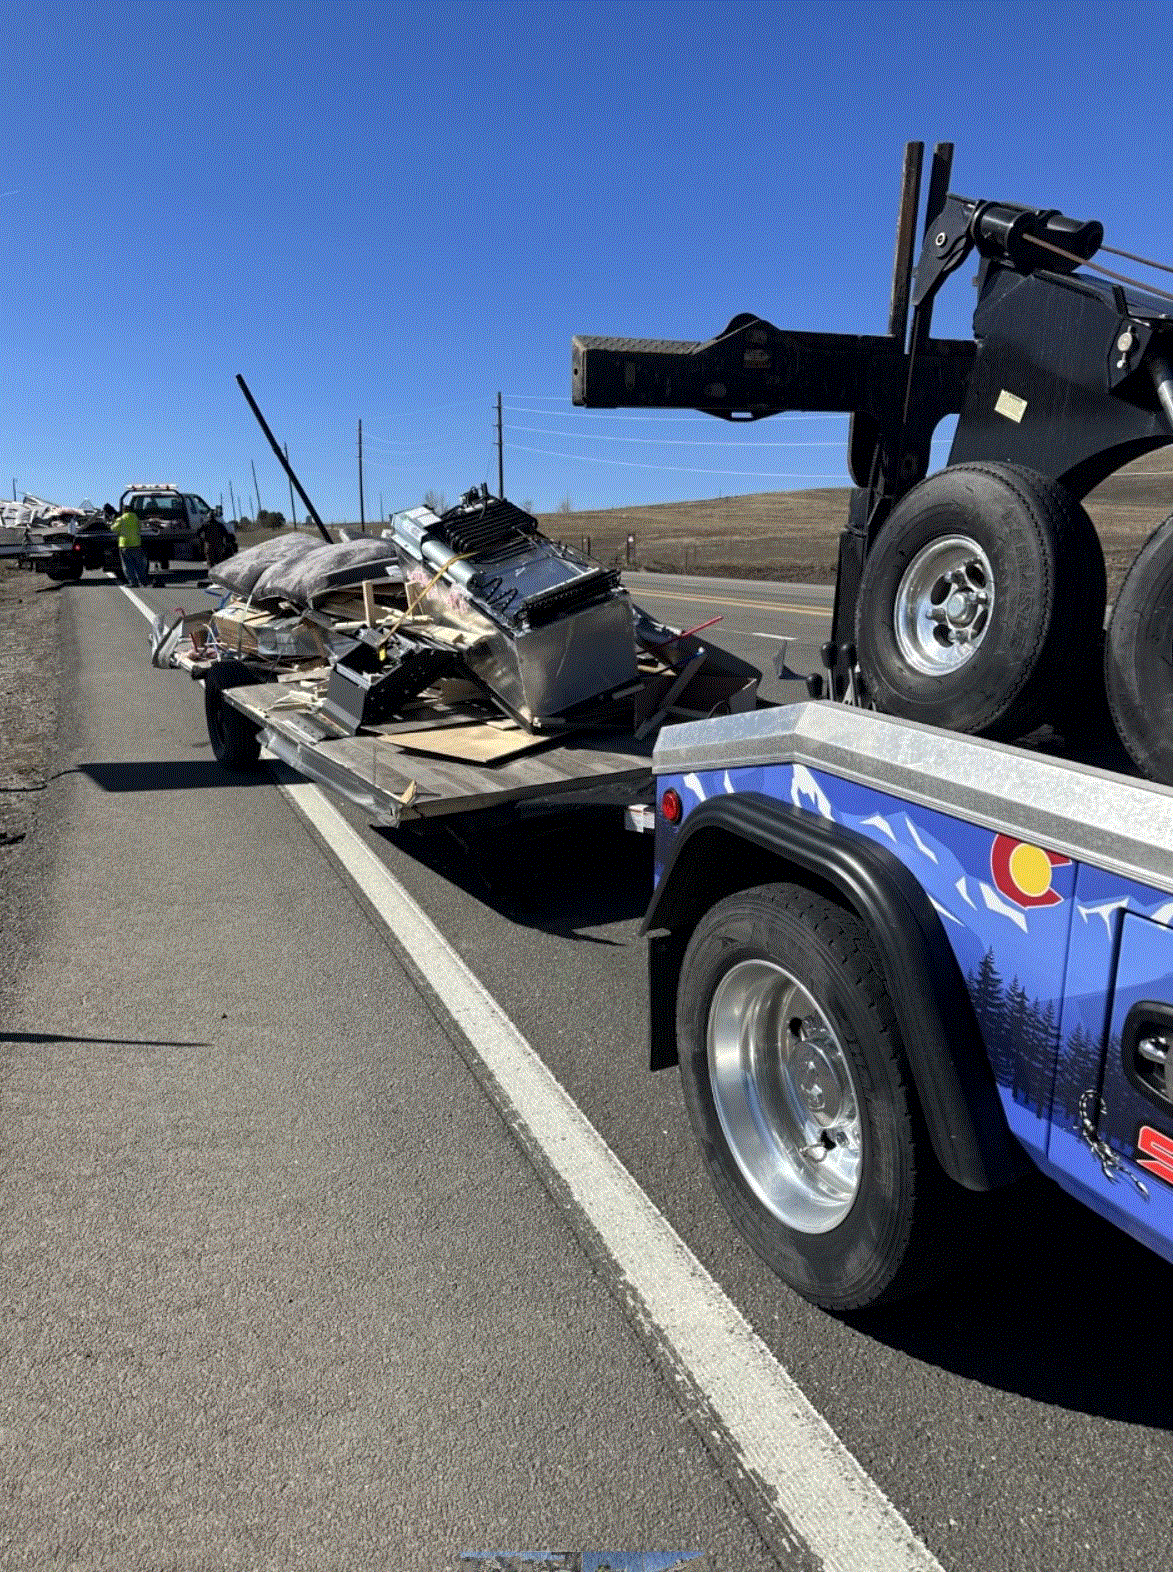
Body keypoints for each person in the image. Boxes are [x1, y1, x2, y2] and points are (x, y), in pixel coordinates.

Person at [112, 505, 149, 587]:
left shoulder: (121, 519)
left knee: (128, 565)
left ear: (124, 511)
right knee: (139, 565)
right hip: (136, 544)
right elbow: (140, 528)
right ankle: (143, 582)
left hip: (125, 545)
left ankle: (133, 583)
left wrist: (112, 523)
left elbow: (113, 528)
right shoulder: (136, 519)